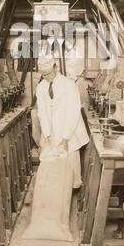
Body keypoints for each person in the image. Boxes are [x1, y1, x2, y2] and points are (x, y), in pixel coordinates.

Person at [35, 55, 89, 188]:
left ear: (55, 68)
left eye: (47, 74)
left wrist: (65, 137)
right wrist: (47, 135)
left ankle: (73, 188)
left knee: (70, 162)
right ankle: (56, 190)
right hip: (51, 130)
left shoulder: (69, 85)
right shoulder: (41, 87)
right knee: (51, 164)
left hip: (70, 129)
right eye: (43, 74)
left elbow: (73, 112)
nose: (46, 77)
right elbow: (42, 113)